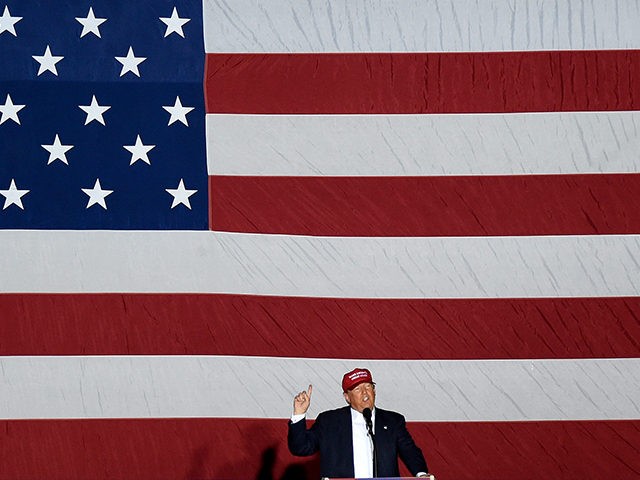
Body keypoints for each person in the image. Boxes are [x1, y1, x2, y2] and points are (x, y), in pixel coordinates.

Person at [288, 367, 430, 479]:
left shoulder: (393, 421)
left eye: (368, 386)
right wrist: (299, 414)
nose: (365, 393)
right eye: (358, 389)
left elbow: (410, 451)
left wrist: (421, 474)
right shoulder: (329, 422)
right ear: (347, 397)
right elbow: (300, 447)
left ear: (374, 390)